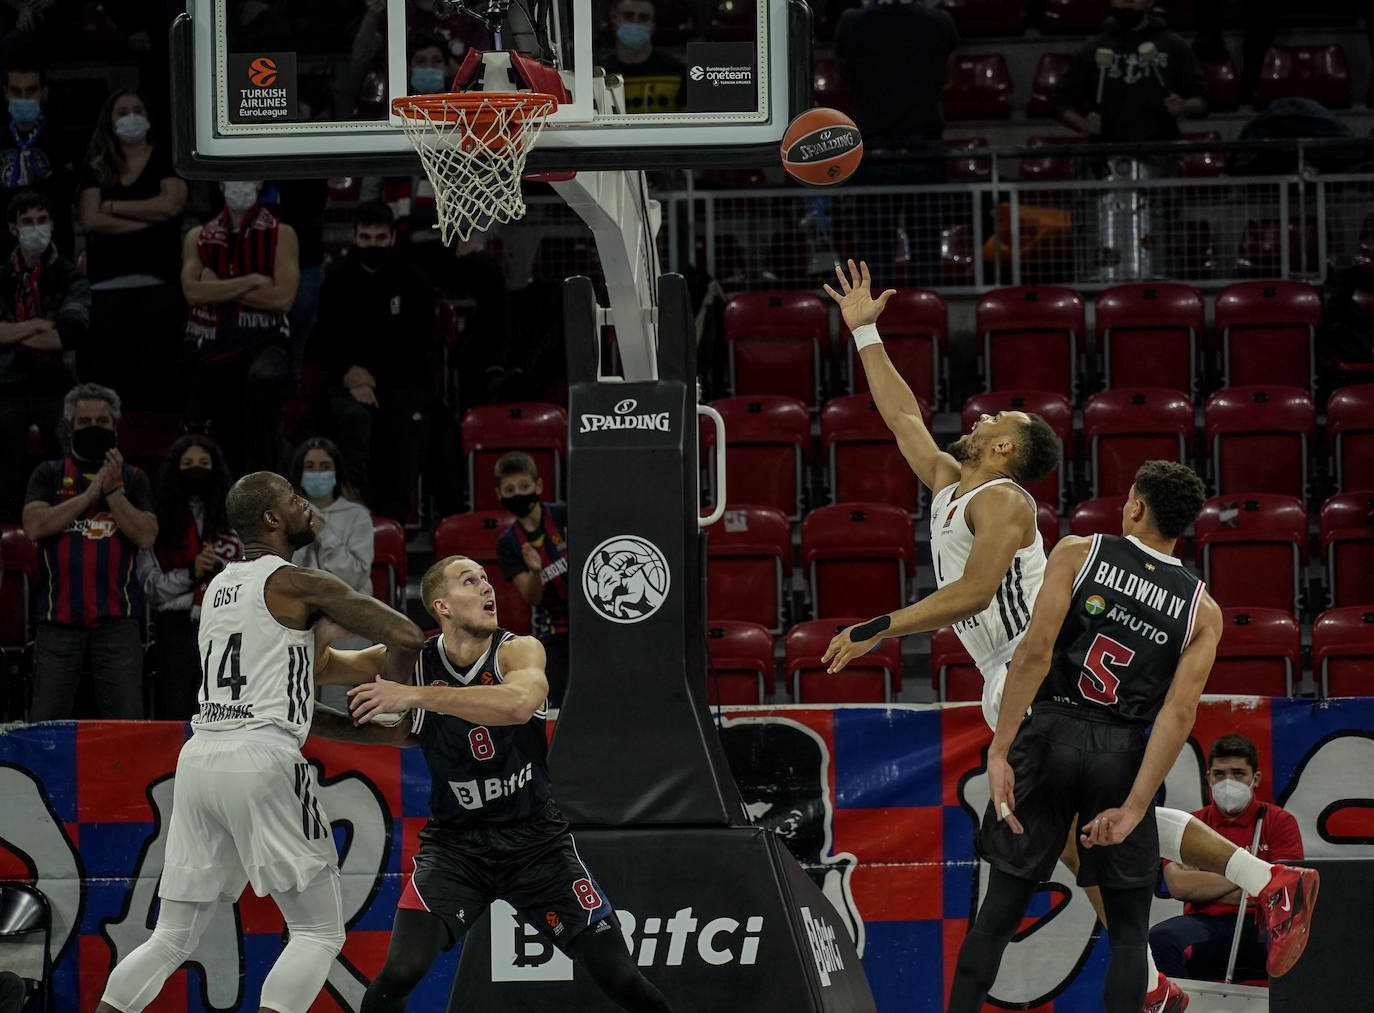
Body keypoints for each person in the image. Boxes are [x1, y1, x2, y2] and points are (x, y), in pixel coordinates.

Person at [821, 259, 1319, 1012]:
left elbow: (977, 591)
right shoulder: (951, 482)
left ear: (1003, 453)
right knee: (1083, 829)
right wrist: (864, 330)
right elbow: (901, 417)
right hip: (1012, 669)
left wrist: (877, 627)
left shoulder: (1008, 503)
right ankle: (1157, 981)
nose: (983, 417)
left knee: (1095, 821)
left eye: (997, 422)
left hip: (1031, 670)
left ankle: (1259, 880)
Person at [93, 470, 426, 1013]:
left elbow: (288, 700)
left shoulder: (220, 586)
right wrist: (402, 705)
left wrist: (380, 735)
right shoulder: (300, 583)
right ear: (272, 518)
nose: (307, 506)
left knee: (172, 936)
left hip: (202, 760)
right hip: (262, 760)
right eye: (295, 500)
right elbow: (407, 635)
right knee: (319, 932)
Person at [322, 553, 676, 1013]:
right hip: (456, 848)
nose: (488, 588)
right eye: (471, 582)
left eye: (488, 579)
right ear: (442, 606)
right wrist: (323, 630)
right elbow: (321, 667)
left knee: (620, 977)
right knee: (399, 973)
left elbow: (518, 705)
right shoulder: (414, 659)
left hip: (536, 844)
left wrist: (411, 694)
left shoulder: (519, 649)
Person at [948, 462, 1232, 1013]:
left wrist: (1001, 747)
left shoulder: (1080, 551)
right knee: (1128, 935)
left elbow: (1034, 652)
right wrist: (1132, 806)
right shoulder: (1203, 611)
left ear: (1135, 507)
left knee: (996, 919)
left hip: (1051, 732)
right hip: (1121, 751)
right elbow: (1178, 715)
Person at [20, 382, 156, 719]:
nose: (93, 429)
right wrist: (89, 495)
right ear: (70, 428)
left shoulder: (134, 477)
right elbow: (35, 526)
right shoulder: (49, 474)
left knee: (126, 722)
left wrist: (111, 491)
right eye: (84, 423)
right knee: (47, 721)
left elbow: (145, 535)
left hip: (118, 622)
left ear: (114, 427)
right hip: (57, 621)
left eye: (102, 423)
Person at [312, 200, 435, 521]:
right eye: (366, 237)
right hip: (347, 380)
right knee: (352, 419)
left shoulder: (414, 280)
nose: (372, 244)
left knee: (404, 425)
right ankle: (352, 511)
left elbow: (421, 347)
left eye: (380, 238)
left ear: (393, 237)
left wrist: (371, 378)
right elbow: (325, 341)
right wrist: (349, 376)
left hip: (402, 380)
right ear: (354, 236)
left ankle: (395, 517)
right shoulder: (336, 282)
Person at [1149, 733, 1306, 983]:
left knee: (1298, 945)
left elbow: (1283, 889)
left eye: (1238, 773)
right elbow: (1180, 886)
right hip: (1204, 924)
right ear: (1208, 778)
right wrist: (1258, 875)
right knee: (1160, 939)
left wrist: (1204, 882)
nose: (1228, 782)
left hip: (1262, 925)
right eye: (1220, 774)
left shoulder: (1280, 822)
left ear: (1255, 779)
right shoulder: (1190, 825)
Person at [834, 0, 960, 289]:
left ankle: (879, 328)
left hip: (875, 152)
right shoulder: (940, 21)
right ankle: (924, 318)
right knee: (927, 246)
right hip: (924, 150)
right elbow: (947, 75)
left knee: (876, 250)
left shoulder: (851, 22)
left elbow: (844, 74)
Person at [77, 87, 187, 406]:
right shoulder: (97, 164)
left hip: (160, 285)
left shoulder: (167, 156)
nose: (131, 118)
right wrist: (148, 219)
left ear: (149, 119)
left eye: (137, 110)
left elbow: (171, 207)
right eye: (122, 112)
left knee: (157, 371)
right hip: (107, 287)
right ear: (110, 122)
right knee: (113, 375)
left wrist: (112, 207)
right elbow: (90, 219)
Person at [181, 179, 299, 475]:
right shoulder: (198, 236)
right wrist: (253, 280)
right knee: (214, 391)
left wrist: (217, 286)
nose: (241, 186)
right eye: (233, 179)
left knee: (262, 382)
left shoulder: (281, 234)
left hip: (266, 340)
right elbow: (193, 294)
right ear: (220, 185)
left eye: (249, 179)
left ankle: (268, 479)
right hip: (215, 341)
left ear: (260, 184)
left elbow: (281, 298)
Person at [137, 434, 242, 720]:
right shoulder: (155, 521)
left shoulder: (235, 519)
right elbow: (150, 587)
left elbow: (251, 574)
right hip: (176, 626)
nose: (196, 468)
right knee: (177, 707)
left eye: (204, 463)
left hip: (227, 624)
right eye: (188, 463)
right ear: (175, 470)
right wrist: (191, 574)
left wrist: (219, 570)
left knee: (222, 708)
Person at [0, 189, 87, 522]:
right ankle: (9, 529)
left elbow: (68, 335)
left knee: (65, 440)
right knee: (6, 437)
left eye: (41, 220)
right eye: (27, 222)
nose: (35, 228)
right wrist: (37, 324)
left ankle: (63, 522)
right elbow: (48, 332)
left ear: (51, 224)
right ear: (13, 229)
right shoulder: (1, 277)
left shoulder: (69, 275)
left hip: (56, 382)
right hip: (7, 382)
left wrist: (14, 331)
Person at [1053, 0, 1207, 144]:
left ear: (1150, 2)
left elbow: (1202, 100)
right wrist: (1084, 125)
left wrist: (1184, 106)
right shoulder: (1091, 49)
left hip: (1161, 153)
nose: (1126, 2)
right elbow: (1060, 103)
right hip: (1105, 153)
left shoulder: (1174, 45)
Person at [493, 451, 569, 706]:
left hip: (592, 621)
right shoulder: (508, 543)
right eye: (510, 490)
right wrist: (536, 571)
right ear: (499, 495)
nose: (518, 494)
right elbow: (532, 597)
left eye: (524, 487)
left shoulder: (563, 515)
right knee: (556, 706)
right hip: (555, 632)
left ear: (538, 485)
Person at [0, 50, 76, 259]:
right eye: (16, 91)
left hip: (53, 247)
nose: (24, 98)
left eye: (31, 90)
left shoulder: (62, 136)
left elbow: (63, 193)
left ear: (44, 92)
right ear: (5, 92)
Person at [288, 437, 374, 597]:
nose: (317, 472)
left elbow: (354, 579)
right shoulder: (288, 514)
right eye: (309, 467)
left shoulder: (358, 516)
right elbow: (287, 573)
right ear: (300, 472)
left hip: (348, 602)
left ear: (336, 472)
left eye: (325, 466)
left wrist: (324, 534)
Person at [596, 0, 687, 114]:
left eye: (643, 18)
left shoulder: (677, 72)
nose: (636, 23)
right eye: (628, 16)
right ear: (614, 20)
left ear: (652, 26)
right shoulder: (599, 74)